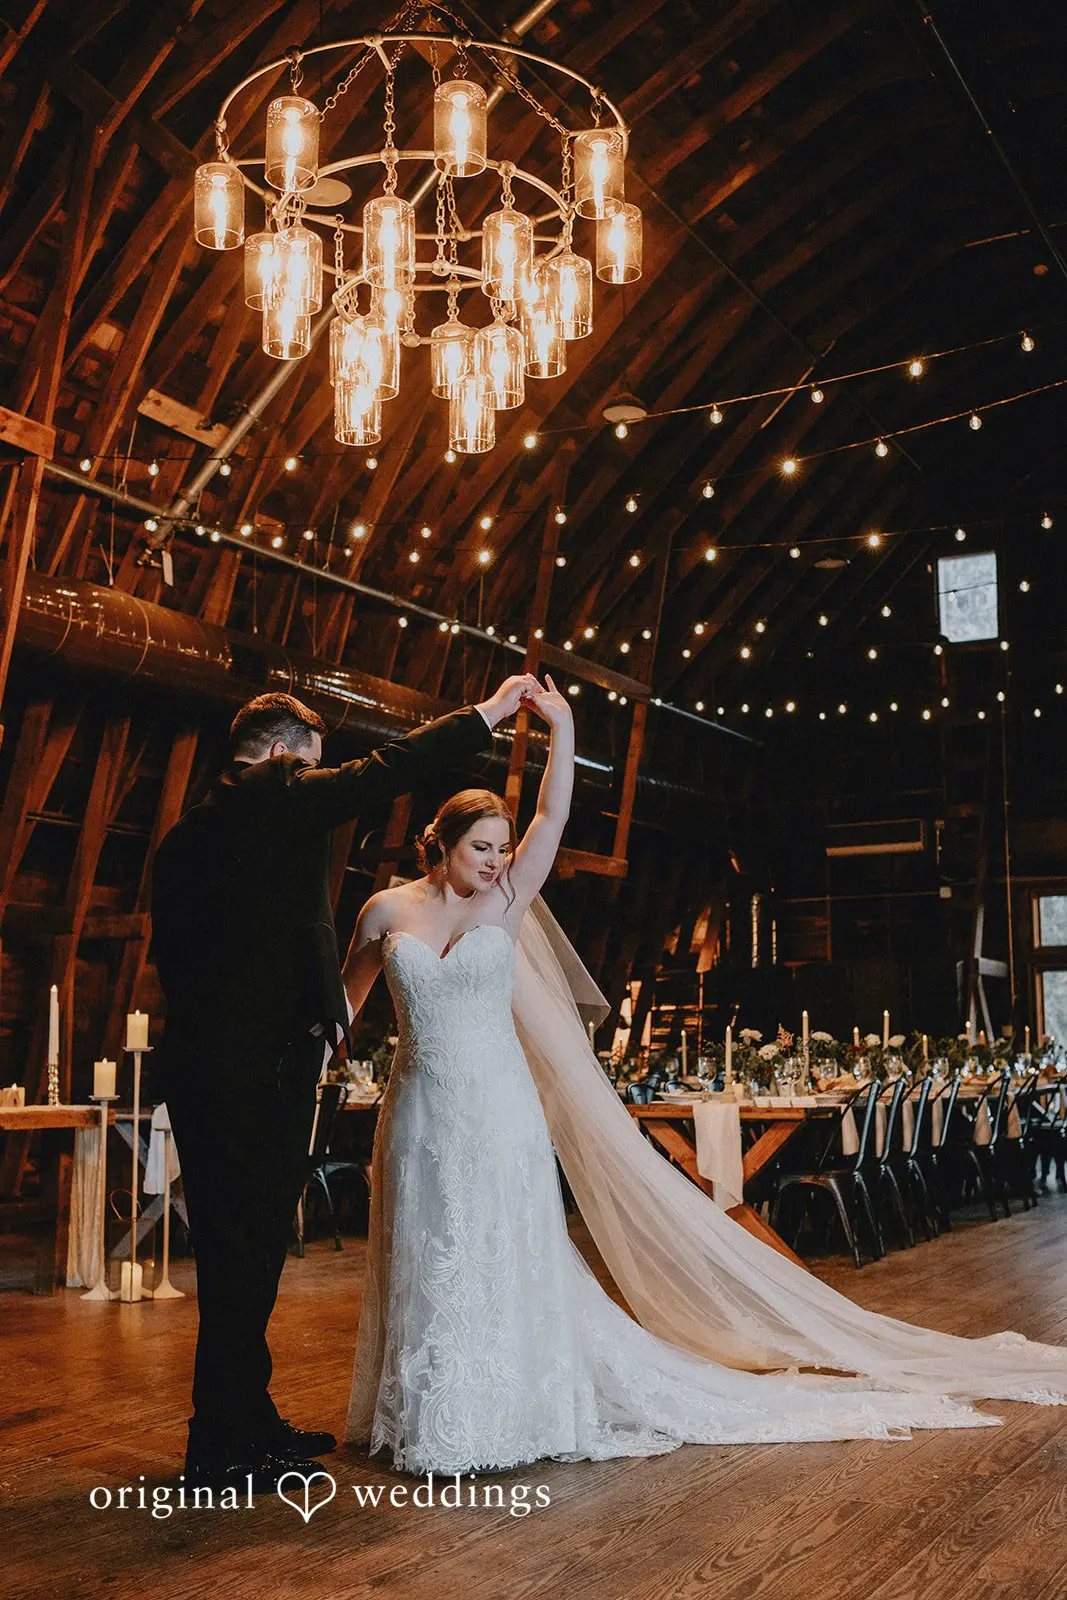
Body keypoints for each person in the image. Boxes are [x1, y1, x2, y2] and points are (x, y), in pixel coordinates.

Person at [342, 676, 1067, 1476]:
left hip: (500, 1108)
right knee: (425, 1247)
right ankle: (428, 1409)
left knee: (498, 1248)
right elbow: (343, 1007)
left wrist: (562, 726)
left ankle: (509, 1403)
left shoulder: (508, 899)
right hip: (416, 1107)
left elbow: (552, 817)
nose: (494, 860)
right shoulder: (384, 913)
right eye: (480, 846)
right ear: (439, 846)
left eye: (499, 846)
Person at [150, 675, 541, 1492]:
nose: (318, 777)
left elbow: (233, 944)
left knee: (245, 1250)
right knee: (244, 1252)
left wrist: (319, 1001)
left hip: (205, 1067)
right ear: (288, 755)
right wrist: (487, 714)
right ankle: (219, 1446)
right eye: (312, 763)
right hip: (254, 1074)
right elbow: (389, 767)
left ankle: (244, 1420)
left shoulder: (189, 836)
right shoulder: (274, 794)